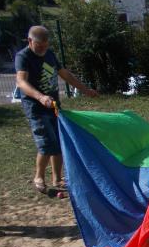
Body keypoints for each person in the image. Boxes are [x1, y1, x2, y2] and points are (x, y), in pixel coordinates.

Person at [15, 25, 98, 194]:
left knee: (58, 142)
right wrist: (40, 97)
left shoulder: (50, 54)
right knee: (46, 143)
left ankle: (57, 178)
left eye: (46, 45)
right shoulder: (23, 57)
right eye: (40, 45)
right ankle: (39, 176)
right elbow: (21, 82)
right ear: (30, 41)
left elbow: (65, 74)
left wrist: (85, 90)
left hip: (53, 105)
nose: (43, 49)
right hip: (36, 108)